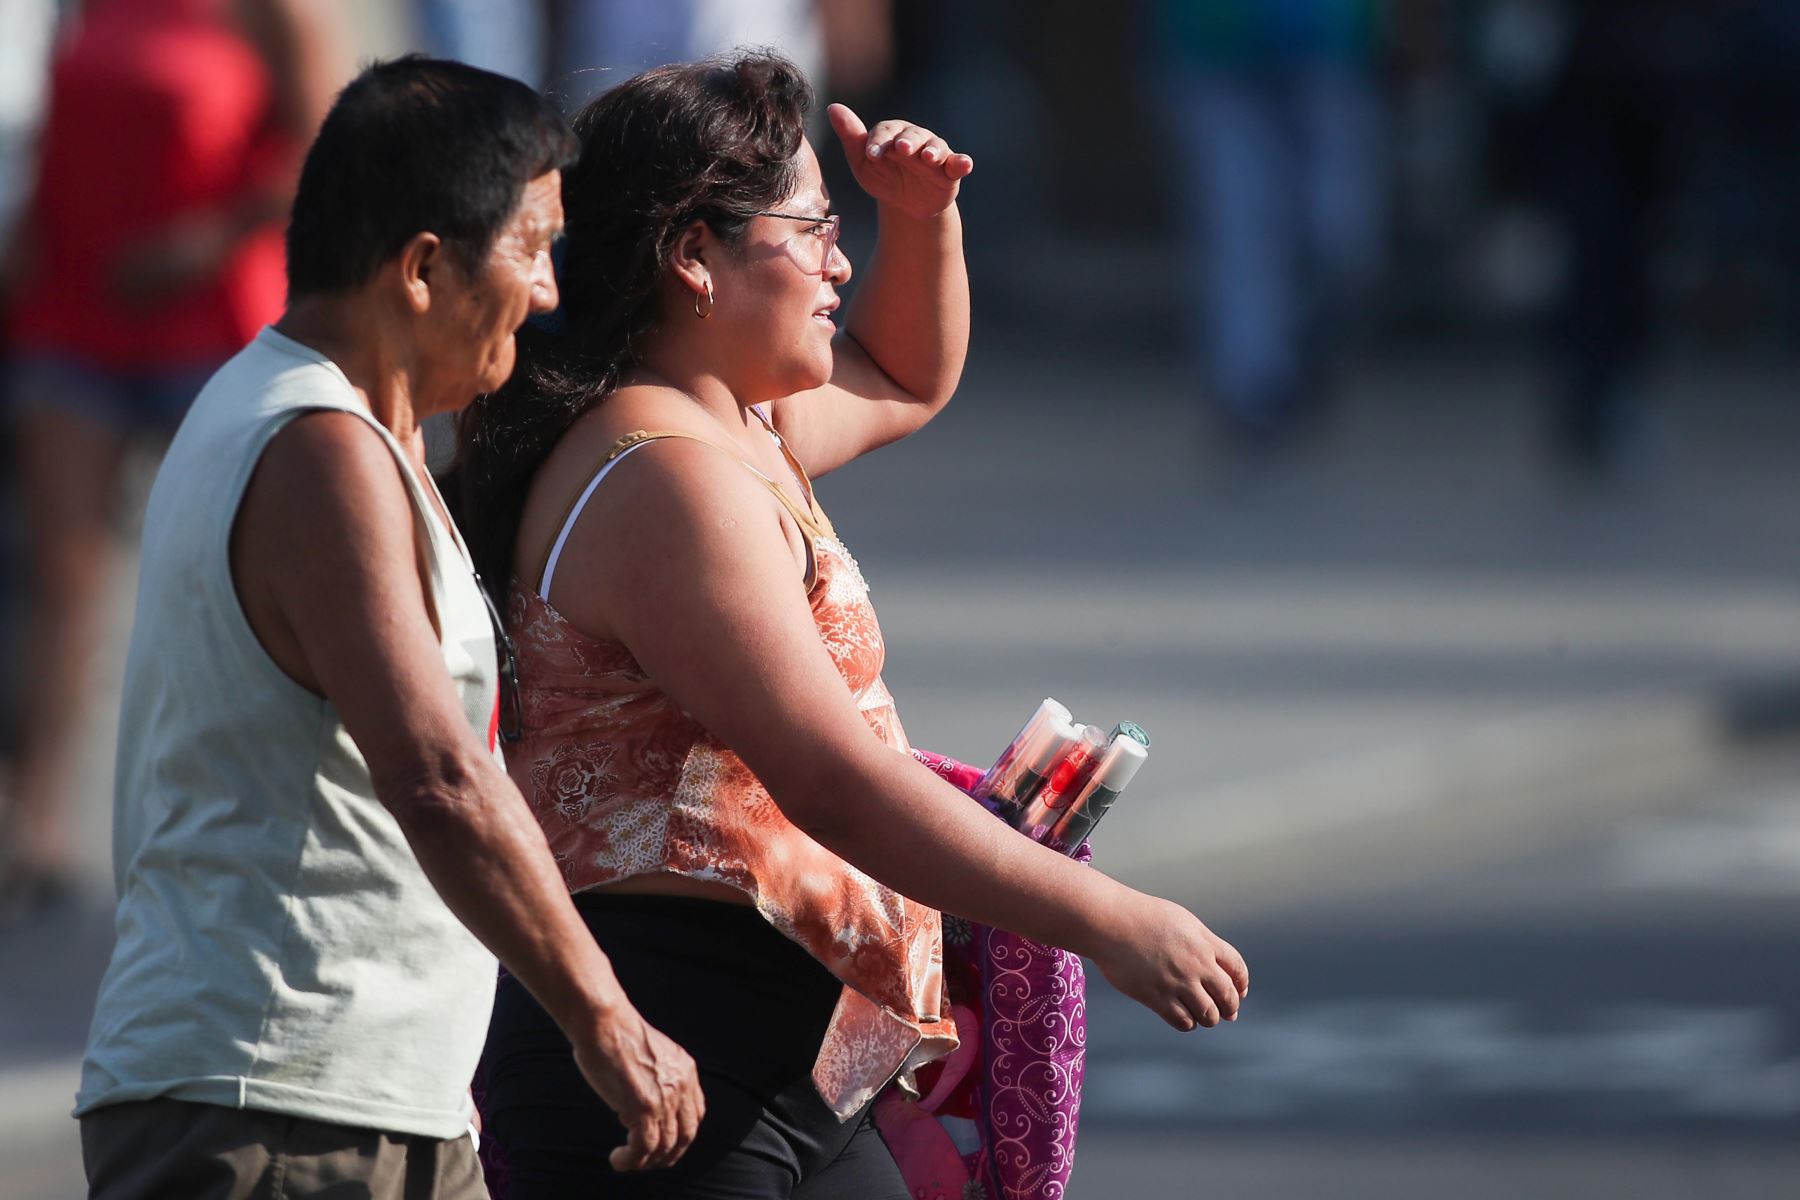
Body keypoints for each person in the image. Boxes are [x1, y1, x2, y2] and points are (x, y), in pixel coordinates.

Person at [451, 52, 1249, 1198]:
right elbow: (833, 780)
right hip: (666, 1051)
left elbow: (904, 376)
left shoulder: (729, 424)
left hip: (783, 1056)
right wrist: (1109, 921)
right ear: (693, 258)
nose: (840, 260)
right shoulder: (664, 479)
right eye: (815, 230)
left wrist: (922, 220)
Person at [75, 56, 703, 1199]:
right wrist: (607, 1019)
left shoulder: (336, 430)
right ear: (422, 268)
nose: (551, 291)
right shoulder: (318, 448)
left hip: (348, 1101)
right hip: (279, 1108)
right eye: (531, 248)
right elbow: (439, 778)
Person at [0, 0, 344, 912]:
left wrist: (202, 240)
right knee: (60, 581)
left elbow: (320, 151)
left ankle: (248, 820)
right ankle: (33, 824)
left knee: (227, 575)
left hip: (213, 316)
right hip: (77, 312)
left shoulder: (272, 10)